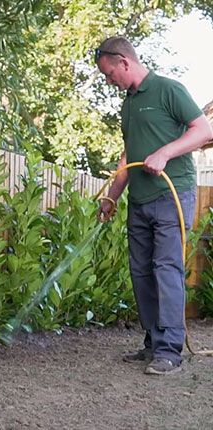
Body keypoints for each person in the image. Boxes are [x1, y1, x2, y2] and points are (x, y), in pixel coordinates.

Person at [95, 36, 213, 375]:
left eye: (109, 74)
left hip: (172, 194)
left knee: (166, 270)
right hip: (140, 200)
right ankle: (153, 342)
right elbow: (128, 154)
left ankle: (170, 351)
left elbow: (203, 130)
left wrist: (165, 152)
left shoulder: (167, 89)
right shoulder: (128, 103)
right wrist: (112, 196)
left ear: (124, 63)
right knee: (142, 272)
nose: (109, 81)